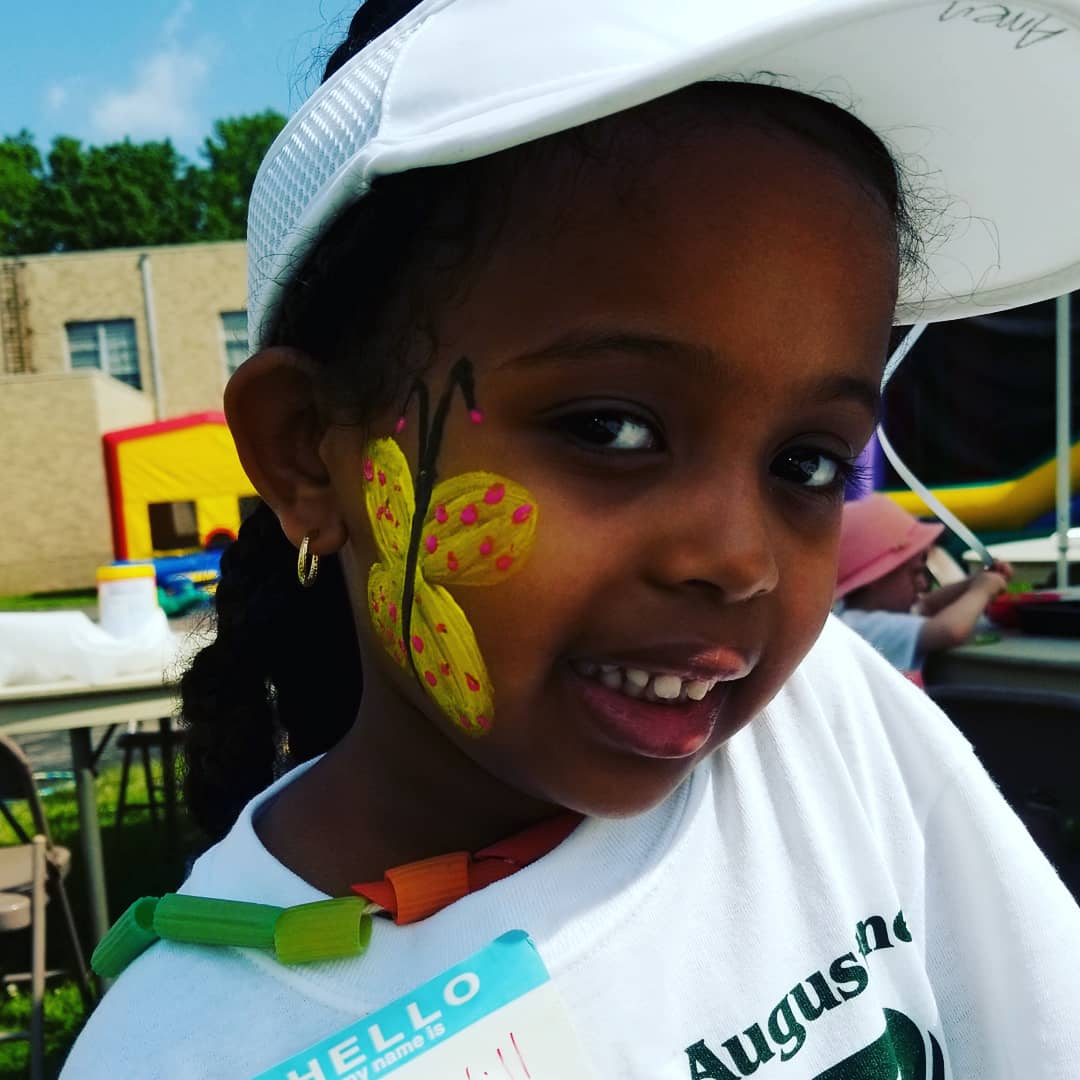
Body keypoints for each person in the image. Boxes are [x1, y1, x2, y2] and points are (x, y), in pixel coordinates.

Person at [64, 2, 1080, 1077]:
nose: (739, 559)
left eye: (807, 463)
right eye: (611, 429)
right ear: (313, 454)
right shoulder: (183, 1051)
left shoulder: (825, 725)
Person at [835, 494, 1012, 677]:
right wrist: (982, 590)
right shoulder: (863, 627)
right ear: (875, 578)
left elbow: (927, 605)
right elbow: (949, 630)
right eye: (915, 573)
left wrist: (973, 582)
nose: (922, 583)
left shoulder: (864, 612)